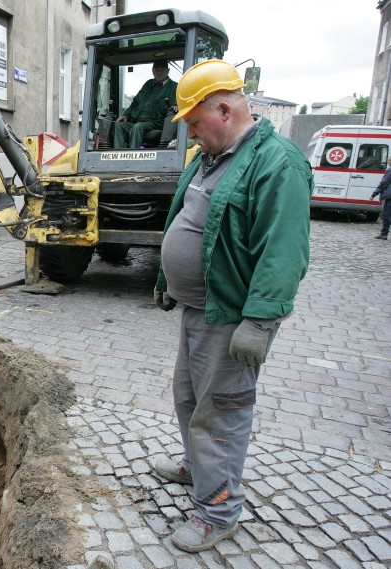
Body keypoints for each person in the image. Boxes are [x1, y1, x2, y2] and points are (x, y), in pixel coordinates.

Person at [152, 60, 312, 553]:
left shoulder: (276, 163)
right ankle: (198, 469)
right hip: (198, 310)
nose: (192, 135)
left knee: (220, 411)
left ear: (224, 108)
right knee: (187, 398)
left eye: (194, 124)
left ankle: (218, 510)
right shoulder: (213, 156)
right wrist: (166, 275)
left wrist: (261, 322)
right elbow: (188, 219)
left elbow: (284, 249)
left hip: (232, 317)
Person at [113, 59, 178, 149]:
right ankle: (118, 155)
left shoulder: (174, 87)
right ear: (152, 71)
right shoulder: (148, 84)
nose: (159, 73)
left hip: (156, 123)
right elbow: (135, 103)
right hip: (138, 120)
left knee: (137, 127)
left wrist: (176, 106)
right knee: (118, 125)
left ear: (168, 71)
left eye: (162, 71)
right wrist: (126, 115)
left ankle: (132, 157)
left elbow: (175, 105)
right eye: (156, 71)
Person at [371, 157, 391, 239]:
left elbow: (384, 183)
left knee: (386, 215)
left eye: (389, 160)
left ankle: (384, 234)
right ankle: (384, 233)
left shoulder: (390, 170)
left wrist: (374, 193)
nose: (388, 162)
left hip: (389, 196)